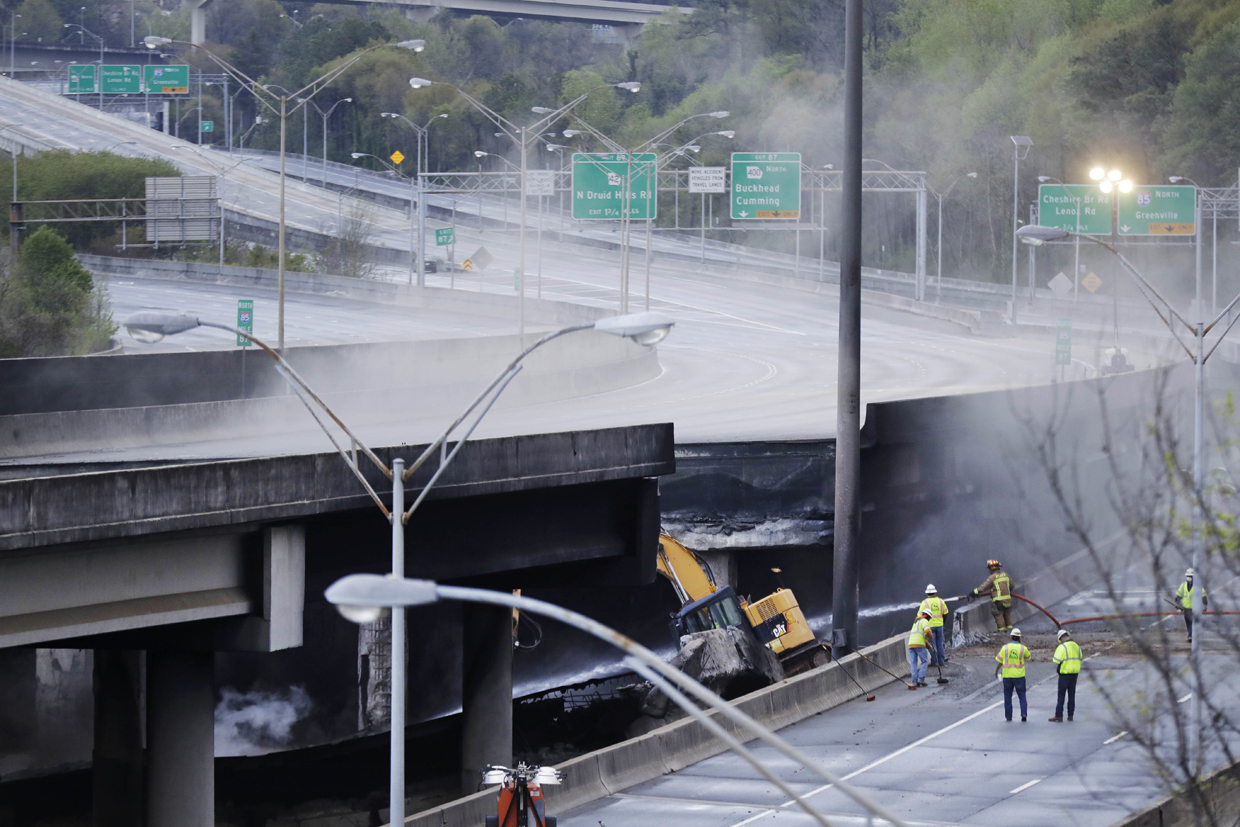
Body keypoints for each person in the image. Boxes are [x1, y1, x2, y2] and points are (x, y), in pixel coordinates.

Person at [994, 628, 1031, 722]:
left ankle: (1008, 716)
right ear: (1019, 638)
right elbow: (1028, 657)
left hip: (1007, 676)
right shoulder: (1023, 648)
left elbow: (1000, 661)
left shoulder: (1005, 648)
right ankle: (1024, 714)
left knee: (1007, 697)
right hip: (1019, 676)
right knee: (1022, 695)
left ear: (1011, 637)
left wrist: (996, 671)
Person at [972, 560, 1014, 633]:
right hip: (1008, 600)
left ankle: (1002, 633)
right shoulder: (1005, 575)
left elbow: (983, 587)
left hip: (999, 602)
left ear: (990, 569)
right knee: (1007, 615)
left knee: (999, 615)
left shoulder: (992, 577)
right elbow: (1012, 586)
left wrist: (974, 592)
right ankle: (1010, 631)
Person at [1049, 629, 1081, 722]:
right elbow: (1080, 658)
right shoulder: (1076, 646)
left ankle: (1059, 715)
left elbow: (1056, 660)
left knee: (1061, 695)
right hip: (1075, 674)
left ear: (1061, 637)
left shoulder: (1062, 647)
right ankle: (1070, 715)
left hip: (1064, 674)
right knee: (1072, 695)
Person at [919, 584, 949, 667]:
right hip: (939, 625)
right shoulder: (941, 601)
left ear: (927, 593)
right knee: (940, 644)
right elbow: (945, 612)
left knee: (932, 645)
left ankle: (934, 662)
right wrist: (943, 622)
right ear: (935, 592)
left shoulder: (924, 603)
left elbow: (920, 616)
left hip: (929, 627)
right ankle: (941, 661)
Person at [1175, 568, 1208, 643]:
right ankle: (1191, 635)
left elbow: (1203, 596)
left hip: (1195, 608)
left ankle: (1190, 636)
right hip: (1186, 608)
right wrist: (1178, 606)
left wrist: (1204, 605)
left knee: (1192, 622)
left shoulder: (1198, 586)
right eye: (1188, 576)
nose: (1189, 577)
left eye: (1190, 576)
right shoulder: (1183, 585)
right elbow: (1178, 596)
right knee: (1188, 623)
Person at [907, 609, 932, 689]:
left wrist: (928, 645)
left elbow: (920, 635)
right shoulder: (924, 621)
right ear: (928, 616)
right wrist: (930, 637)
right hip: (919, 645)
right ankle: (921, 679)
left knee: (913, 663)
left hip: (911, 644)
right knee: (924, 661)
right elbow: (927, 632)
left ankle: (914, 682)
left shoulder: (916, 622)